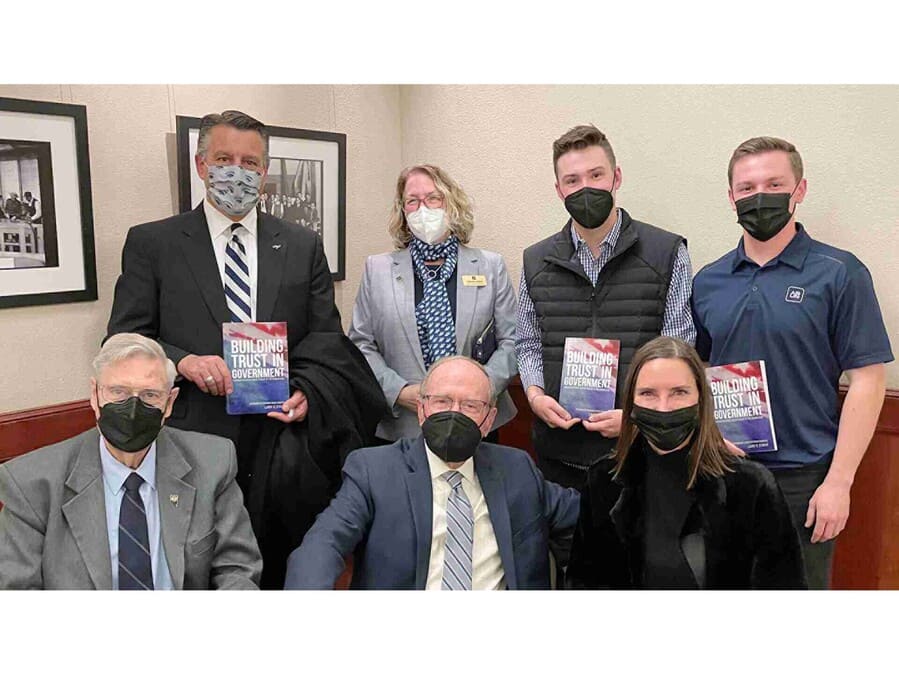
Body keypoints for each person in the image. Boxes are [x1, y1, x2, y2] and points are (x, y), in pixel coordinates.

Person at [106, 110, 386, 588]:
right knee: (193, 571)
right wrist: (182, 362)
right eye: (224, 158)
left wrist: (309, 393)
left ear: (265, 172)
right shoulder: (153, 243)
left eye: (251, 162)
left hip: (281, 446)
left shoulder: (300, 244)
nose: (237, 172)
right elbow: (123, 340)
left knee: (276, 571)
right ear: (201, 165)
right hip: (191, 440)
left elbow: (325, 339)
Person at [691, 136, 893, 589]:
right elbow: (698, 369)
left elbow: (867, 379)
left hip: (806, 478)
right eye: (746, 187)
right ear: (730, 197)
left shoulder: (840, 273)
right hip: (726, 471)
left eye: (774, 183)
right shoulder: (708, 280)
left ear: (799, 190)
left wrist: (838, 483)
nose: (759, 196)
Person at [284, 356, 580, 590]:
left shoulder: (518, 470)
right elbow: (323, 545)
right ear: (423, 410)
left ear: (489, 420)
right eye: (441, 402)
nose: (454, 413)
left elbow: (589, 516)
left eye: (470, 405)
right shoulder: (374, 471)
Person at [0, 333, 262, 590]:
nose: (133, 408)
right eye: (118, 392)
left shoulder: (212, 463)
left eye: (150, 395)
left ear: (169, 403)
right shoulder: (31, 484)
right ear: (95, 395)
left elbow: (237, 569)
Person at [517, 124, 696, 490]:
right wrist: (534, 396)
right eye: (572, 179)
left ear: (616, 177)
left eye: (595, 175)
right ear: (558, 190)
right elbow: (528, 343)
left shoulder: (666, 252)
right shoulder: (535, 260)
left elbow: (680, 349)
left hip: (642, 455)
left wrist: (637, 417)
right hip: (560, 458)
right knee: (567, 549)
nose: (585, 188)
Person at [566, 336, 806, 589]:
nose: (664, 407)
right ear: (631, 402)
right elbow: (585, 583)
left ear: (701, 398)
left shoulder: (751, 485)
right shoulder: (603, 479)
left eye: (679, 392)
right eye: (648, 393)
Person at [349, 164, 518, 442]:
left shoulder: (490, 266)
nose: (422, 209)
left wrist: (476, 389)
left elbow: (513, 341)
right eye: (412, 201)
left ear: (451, 204)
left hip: (476, 421)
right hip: (403, 425)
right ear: (403, 211)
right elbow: (360, 344)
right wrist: (400, 392)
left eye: (433, 198)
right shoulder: (377, 269)